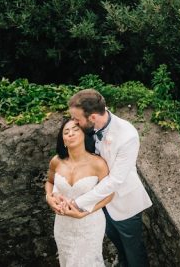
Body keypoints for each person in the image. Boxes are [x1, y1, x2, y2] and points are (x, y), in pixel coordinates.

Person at [61, 89, 152, 267]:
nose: (74, 122)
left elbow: (115, 181)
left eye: (77, 119)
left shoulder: (127, 135)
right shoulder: (86, 128)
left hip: (125, 204)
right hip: (101, 205)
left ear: (93, 117)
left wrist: (79, 203)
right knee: (119, 245)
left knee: (134, 252)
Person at [45, 119, 113, 267]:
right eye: (66, 131)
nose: (71, 133)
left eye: (75, 129)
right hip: (63, 225)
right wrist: (49, 197)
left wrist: (85, 213)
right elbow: (50, 182)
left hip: (90, 224)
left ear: (84, 135)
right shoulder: (56, 161)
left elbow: (109, 194)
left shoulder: (98, 164)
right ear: (63, 140)